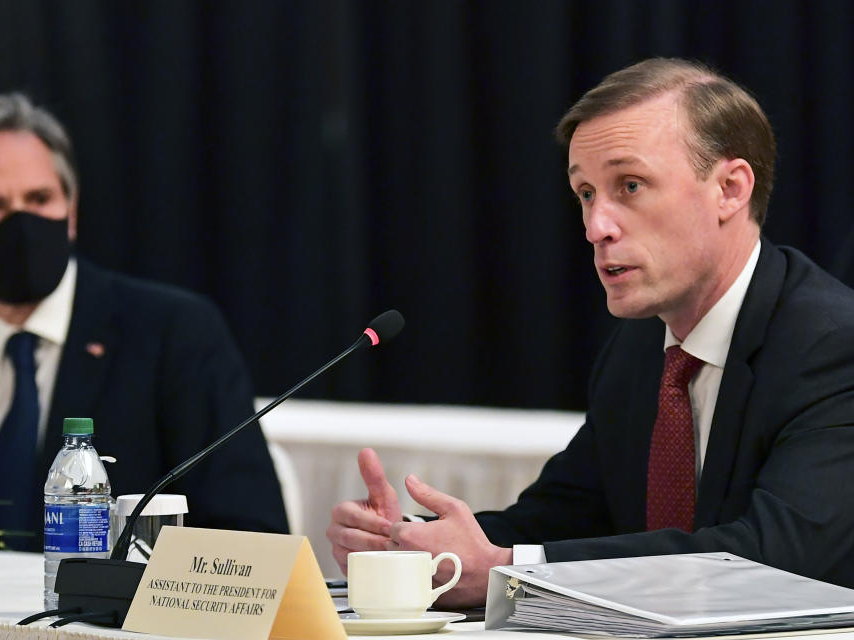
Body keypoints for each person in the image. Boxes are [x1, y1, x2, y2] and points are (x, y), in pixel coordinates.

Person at [327, 58, 854, 606]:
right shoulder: (641, 350)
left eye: (629, 185)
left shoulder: (833, 346)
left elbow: (776, 560)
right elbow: (562, 518)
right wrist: (413, 542)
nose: (596, 227)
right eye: (585, 193)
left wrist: (508, 571)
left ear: (729, 189)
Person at [0, 93, 288, 550]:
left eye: (39, 199)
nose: (20, 226)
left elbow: (252, 538)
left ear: (71, 211)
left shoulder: (175, 337)